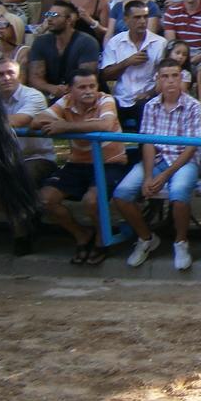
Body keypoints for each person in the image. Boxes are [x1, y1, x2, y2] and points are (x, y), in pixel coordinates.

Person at [33, 65, 130, 266]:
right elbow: (37, 121)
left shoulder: (106, 99)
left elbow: (105, 125)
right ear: (70, 89)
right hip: (77, 164)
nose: (88, 91)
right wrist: (55, 122)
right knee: (45, 200)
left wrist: (66, 127)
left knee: (91, 201)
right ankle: (81, 235)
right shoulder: (65, 102)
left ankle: (102, 239)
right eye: (82, 87)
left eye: (92, 86)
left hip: (109, 162)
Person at [111, 60, 201, 270]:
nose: (170, 81)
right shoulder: (151, 106)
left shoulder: (193, 106)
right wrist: (148, 175)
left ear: (181, 78)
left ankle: (181, 242)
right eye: (165, 76)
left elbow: (190, 147)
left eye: (174, 76)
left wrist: (164, 176)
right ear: (158, 80)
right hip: (158, 160)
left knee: (179, 194)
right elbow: (149, 143)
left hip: (183, 161)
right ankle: (146, 238)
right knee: (122, 194)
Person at [0, 59, 55, 252]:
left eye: (10, 73)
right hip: (2, 158)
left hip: (37, 157)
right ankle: (25, 213)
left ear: (19, 75)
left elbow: (20, 120)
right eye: (0, 75)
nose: (6, 78)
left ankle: (22, 235)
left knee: (14, 177)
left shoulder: (33, 96)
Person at [100, 0, 167, 131]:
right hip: (120, 98)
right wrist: (127, 62)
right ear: (126, 19)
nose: (142, 21)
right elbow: (105, 75)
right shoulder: (115, 42)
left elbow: (164, 77)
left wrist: (150, 93)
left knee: (145, 106)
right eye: (137, 17)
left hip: (149, 98)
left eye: (145, 17)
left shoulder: (160, 43)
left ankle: (145, 149)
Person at [29, 0, 101, 102]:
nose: (49, 19)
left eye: (55, 16)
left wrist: (67, 90)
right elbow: (35, 78)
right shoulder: (40, 42)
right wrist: (51, 88)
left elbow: (87, 77)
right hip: (50, 95)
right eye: (48, 14)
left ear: (69, 20)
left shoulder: (87, 42)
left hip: (81, 95)